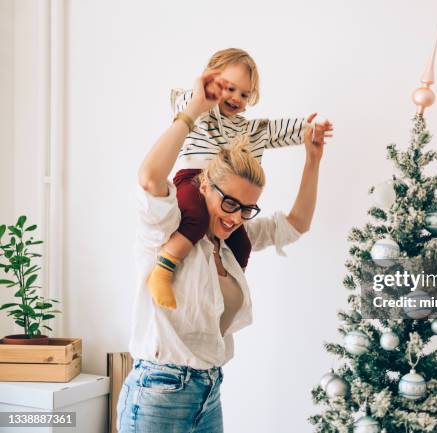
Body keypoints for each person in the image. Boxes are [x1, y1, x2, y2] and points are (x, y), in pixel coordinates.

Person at [116, 69, 330, 432]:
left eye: (246, 208)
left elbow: (296, 224)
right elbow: (151, 177)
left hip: (209, 390)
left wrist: (312, 160)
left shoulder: (229, 245)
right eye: (228, 202)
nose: (235, 217)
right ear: (202, 185)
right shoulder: (167, 228)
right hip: (160, 389)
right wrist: (194, 109)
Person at [147, 47, 333, 309]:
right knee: (197, 218)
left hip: (212, 348)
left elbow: (277, 131)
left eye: (245, 94)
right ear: (211, 82)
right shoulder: (202, 112)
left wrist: (309, 129)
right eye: (229, 89)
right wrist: (201, 99)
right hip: (191, 180)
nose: (236, 98)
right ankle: (164, 267)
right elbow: (183, 110)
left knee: (242, 243)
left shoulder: (247, 130)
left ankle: (227, 281)